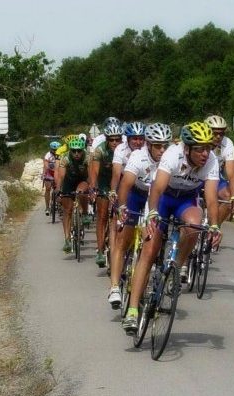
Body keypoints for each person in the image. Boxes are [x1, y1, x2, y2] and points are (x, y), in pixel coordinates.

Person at [122, 121, 222, 334]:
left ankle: (176, 266)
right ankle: (132, 311)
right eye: (199, 149)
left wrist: (214, 225)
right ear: (187, 148)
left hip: (186, 200)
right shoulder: (172, 155)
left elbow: (211, 198)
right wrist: (152, 214)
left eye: (208, 147)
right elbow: (157, 189)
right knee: (149, 251)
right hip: (163, 199)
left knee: (195, 225)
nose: (205, 153)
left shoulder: (211, 160)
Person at [105, 122, 169, 308]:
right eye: (157, 145)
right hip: (135, 194)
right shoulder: (137, 156)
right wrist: (122, 208)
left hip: (155, 197)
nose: (162, 149)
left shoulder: (169, 158)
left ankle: (144, 286)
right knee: (123, 239)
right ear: (148, 145)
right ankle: (115, 287)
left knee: (149, 240)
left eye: (164, 145)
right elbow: (124, 184)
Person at [89, 123, 123, 267]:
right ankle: (100, 251)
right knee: (102, 215)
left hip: (119, 182)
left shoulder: (125, 149)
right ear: (107, 139)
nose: (115, 142)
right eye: (112, 140)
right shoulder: (100, 150)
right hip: (104, 182)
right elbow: (94, 172)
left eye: (118, 139)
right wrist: (94, 188)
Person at [55, 135, 92, 253]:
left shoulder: (88, 157)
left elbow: (92, 175)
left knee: (81, 192)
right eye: (74, 151)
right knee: (67, 211)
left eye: (79, 151)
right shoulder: (65, 158)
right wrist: (58, 190)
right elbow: (61, 176)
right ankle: (67, 240)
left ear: (83, 150)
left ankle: (85, 213)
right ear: (70, 150)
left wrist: (91, 188)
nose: (76, 153)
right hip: (69, 181)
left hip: (82, 180)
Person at [205, 115, 234, 218]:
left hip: (215, 176)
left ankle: (214, 228)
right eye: (215, 133)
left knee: (228, 197)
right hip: (197, 175)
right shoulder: (200, 141)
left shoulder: (227, 143)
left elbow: (231, 174)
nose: (218, 137)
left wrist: (233, 196)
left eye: (221, 133)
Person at [42, 140, 60, 215]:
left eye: (56, 150)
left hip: (58, 172)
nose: (55, 151)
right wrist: (44, 174)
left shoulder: (61, 154)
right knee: (48, 188)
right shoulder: (48, 155)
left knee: (59, 188)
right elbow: (46, 165)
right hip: (49, 172)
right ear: (50, 149)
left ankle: (60, 203)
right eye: (53, 150)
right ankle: (47, 207)